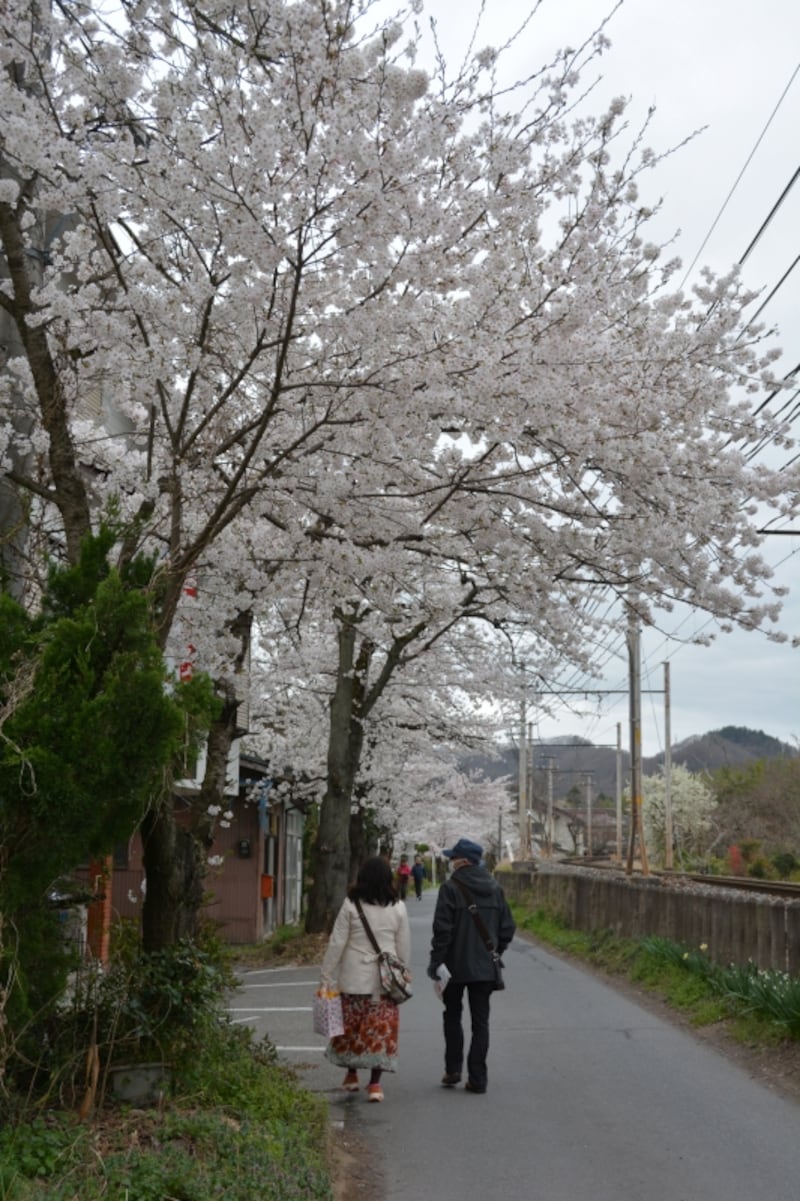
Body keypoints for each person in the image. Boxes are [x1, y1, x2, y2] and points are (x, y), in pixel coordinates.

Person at [427, 837, 515, 1095]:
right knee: (481, 1022)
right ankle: (478, 1078)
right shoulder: (495, 888)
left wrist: (436, 963)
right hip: (485, 967)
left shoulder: (450, 888)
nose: (451, 862)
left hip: (453, 967)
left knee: (452, 1016)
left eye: (453, 858)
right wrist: (496, 951)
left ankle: (453, 1069)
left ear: (462, 861)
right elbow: (508, 928)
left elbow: (442, 931)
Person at [319, 856, 411, 1103]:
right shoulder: (398, 906)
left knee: (351, 1028)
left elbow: (337, 941)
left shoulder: (351, 903)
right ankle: (375, 1084)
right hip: (385, 981)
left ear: (362, 877)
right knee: (379, 1031)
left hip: (353, 977)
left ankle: (351, 1075)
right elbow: (403, 945)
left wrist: (326, 974)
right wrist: (403, 970)